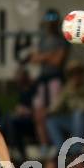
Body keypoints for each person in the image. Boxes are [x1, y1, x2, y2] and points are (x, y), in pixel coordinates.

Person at [31, 8, 70, 157]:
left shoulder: (62, 40)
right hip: (43, 80)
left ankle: (56, 144)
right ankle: (44, 144)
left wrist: (43, 57)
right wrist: (49, 56)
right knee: (38, 113)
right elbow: (34, 58)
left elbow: (57, 61)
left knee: (53, 112)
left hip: (56, 79)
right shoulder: (42, 40)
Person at [46, 60, 84, 155]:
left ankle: (76, 150)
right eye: (73, 73)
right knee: (51, 121)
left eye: (78, 72)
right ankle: (62, 151)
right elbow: (57, 105)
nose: (76, 76)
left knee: (78, 114)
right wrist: (48, 111)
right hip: (73, 120)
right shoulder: (68, 88)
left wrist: (74, 93)